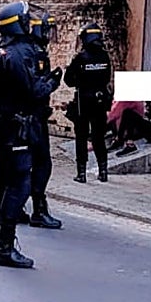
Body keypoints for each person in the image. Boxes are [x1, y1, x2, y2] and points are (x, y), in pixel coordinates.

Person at [0, 1, 61, 268]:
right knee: (19, 184)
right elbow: (33, 91)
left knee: (2, 181)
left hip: (5, 125)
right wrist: (53, 81)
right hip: (19, 126)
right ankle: (4, 246)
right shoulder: (22, 53)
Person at [25, 9, 62, 229]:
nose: (50, 34)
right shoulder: (35, 53)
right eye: (47, 29)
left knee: (22, 164)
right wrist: (53, 82)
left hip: (27, 116)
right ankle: (38, 209)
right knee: (41, 163)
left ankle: (17, 207)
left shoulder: (25, 49)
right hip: (32, 117)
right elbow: (35, 89)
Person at [64, 21, 113, 183]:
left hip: (83, 102)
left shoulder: (80, 58)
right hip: (100, 101)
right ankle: (103, 171)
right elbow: (107, 78)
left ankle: (82, 173)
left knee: (81, 138)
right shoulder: (105, 56)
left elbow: (69, 81)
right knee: (99, 137)